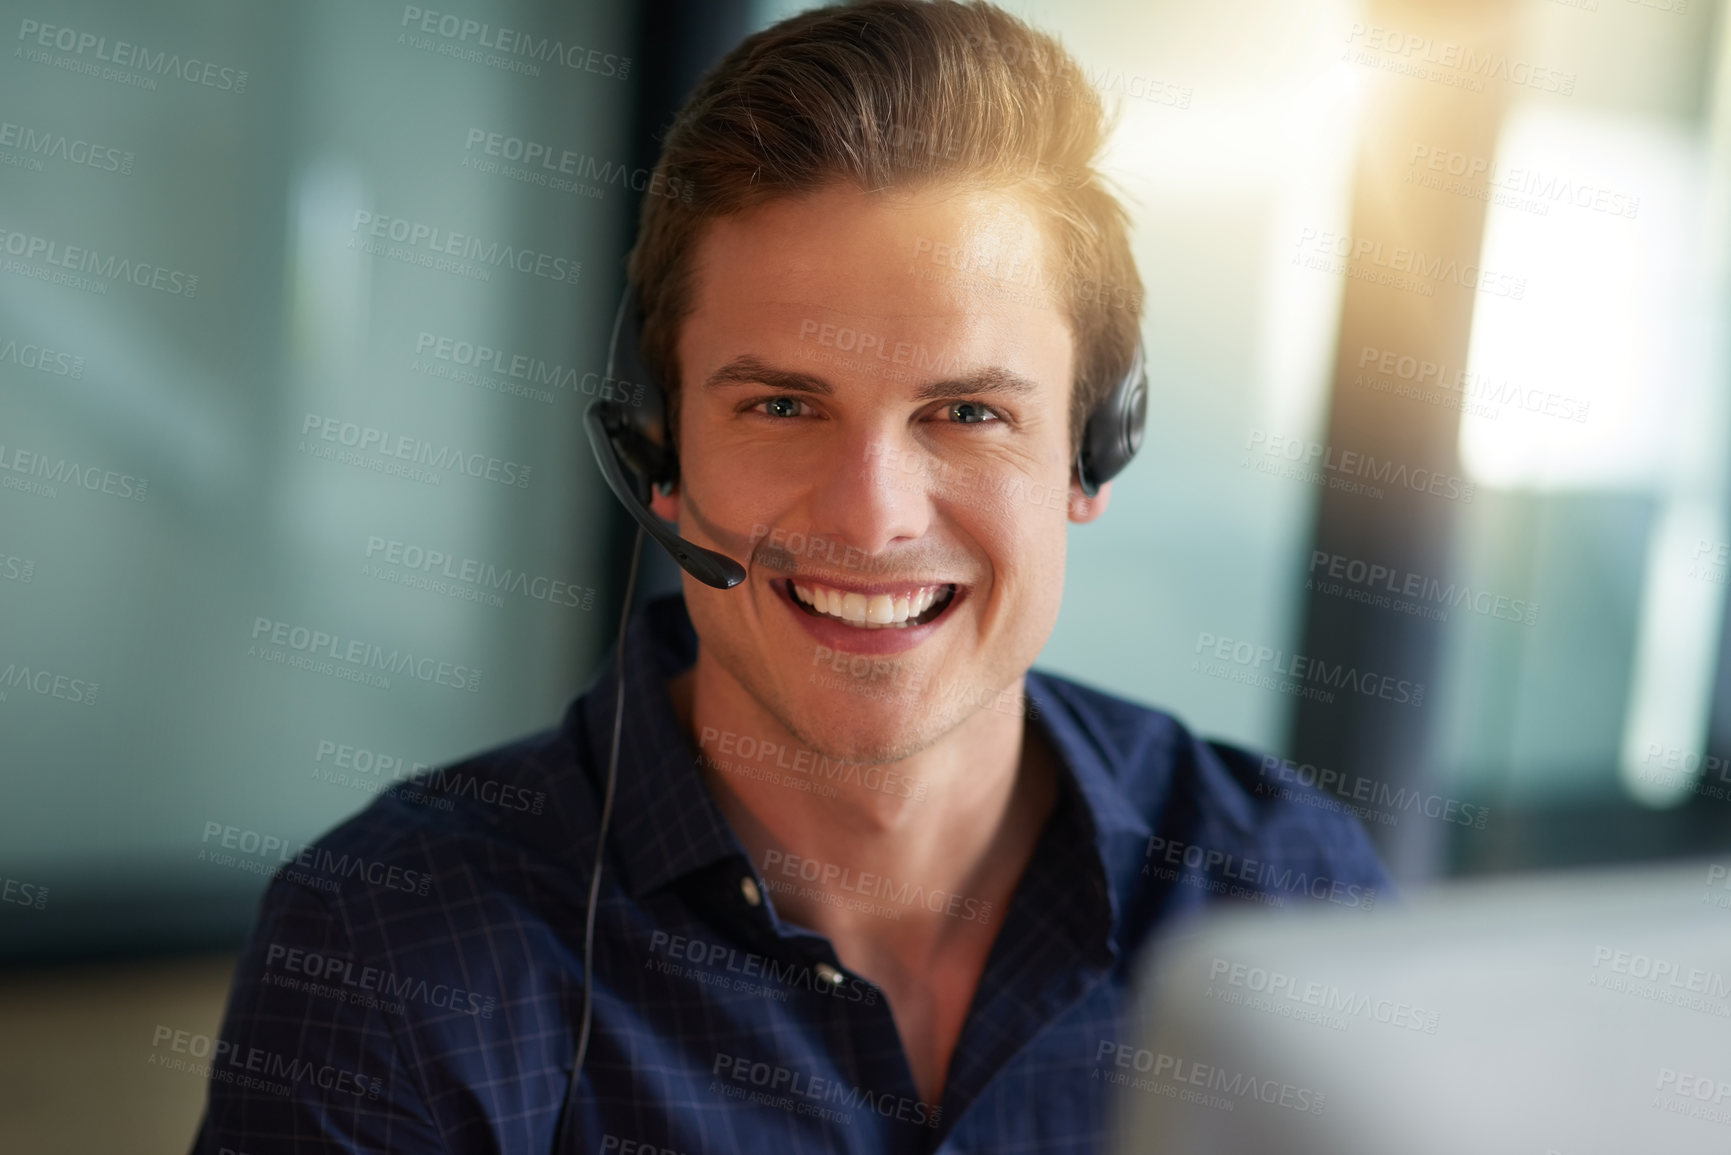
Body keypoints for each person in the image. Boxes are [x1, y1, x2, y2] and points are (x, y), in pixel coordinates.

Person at [192, 2, 1389, 1151]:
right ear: (656, 452)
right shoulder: (389, 951)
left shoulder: (1284, 893)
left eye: (966, 411)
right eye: (780, 404)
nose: (872, 516)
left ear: (1092, 449)